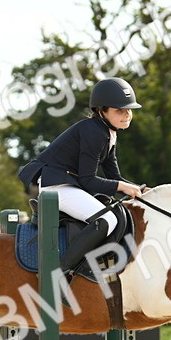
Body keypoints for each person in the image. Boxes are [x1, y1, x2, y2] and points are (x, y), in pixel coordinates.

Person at [17, 76, 144, 278]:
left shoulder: (109, 132)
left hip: (69, 185)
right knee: (106, 219)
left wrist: (142, 190)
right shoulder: (94, 133)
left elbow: (114, 176)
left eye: (129, 110)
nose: (127, 114)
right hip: (57, 187)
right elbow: (88, 180)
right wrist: (122, 187)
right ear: (101, 111)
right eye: (119, 110)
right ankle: (59, 271)